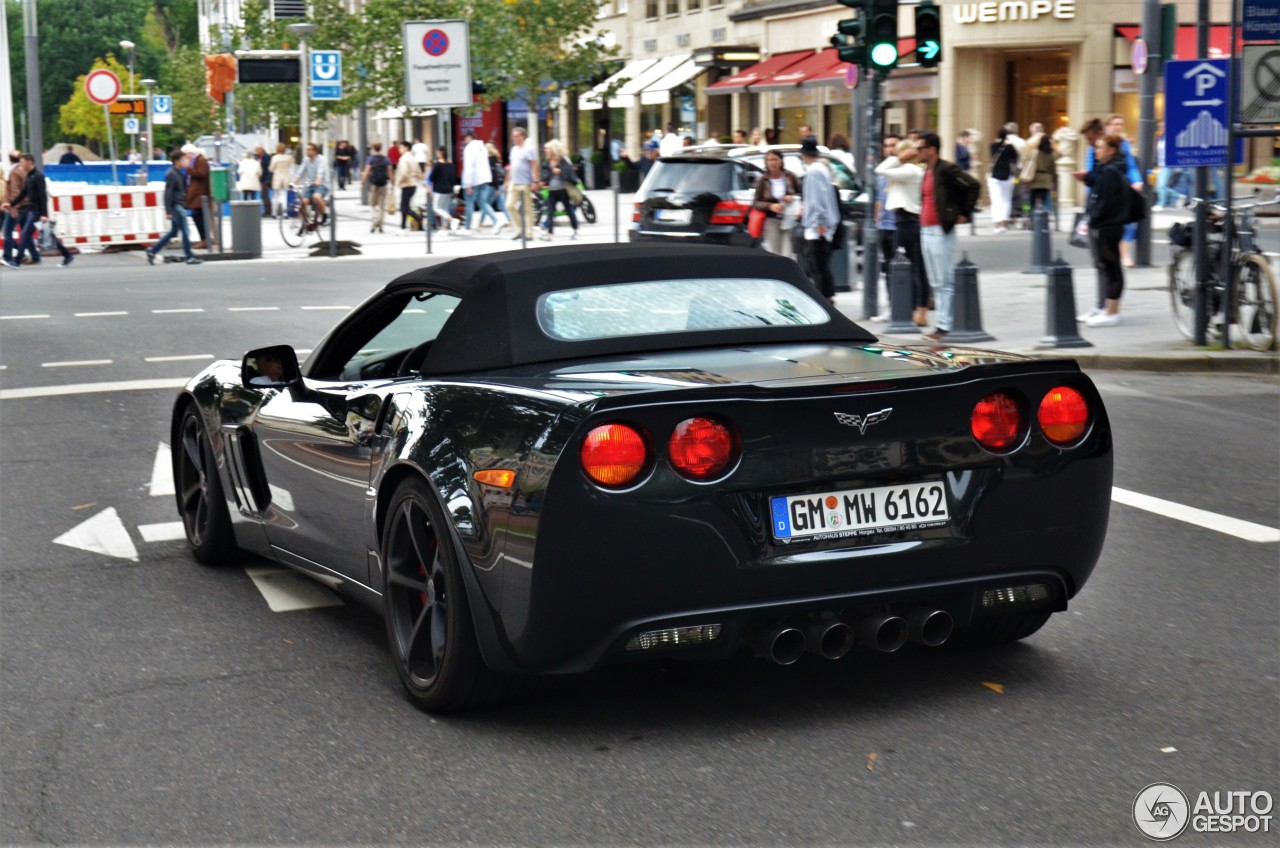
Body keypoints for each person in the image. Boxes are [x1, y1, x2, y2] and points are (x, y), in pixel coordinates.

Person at [915, 132, 981, 342]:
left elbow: (973, 185)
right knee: (935, 281)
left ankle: (944, 326)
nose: (917, 152)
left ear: (932, 150)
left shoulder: (946, 169)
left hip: (941, 231)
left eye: (920, 148)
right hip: (926, 231)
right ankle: (941, 324)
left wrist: (963, 213)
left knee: (944, 281)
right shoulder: (926, 171)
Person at [876, 139, 931, 326]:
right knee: (913, 267)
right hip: (905, 221)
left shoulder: (910, 171)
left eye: (899, 152)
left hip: (908, 221)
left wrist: (899, 158)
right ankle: (917, 309)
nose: (895, 155)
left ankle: (918, 309)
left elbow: (880, 170)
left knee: (911, 268)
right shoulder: (909, 171)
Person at [1082, 133, 1130, 327]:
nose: (1096, 150)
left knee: (1111, 267)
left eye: (1101, 147)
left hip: (1108, 225)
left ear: (1111, 150)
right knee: (1106, 266)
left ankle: (1112, 312)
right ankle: (1106, 309)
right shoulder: (1107, 168)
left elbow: (1106, 200)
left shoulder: (1112, 171)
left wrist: (1094, 218)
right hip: (1106, 224)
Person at [6, 153, 74, 267]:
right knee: (47, 235)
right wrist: (11, 204)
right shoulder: (30, 176)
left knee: (25, 234)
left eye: (23, 162)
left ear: (29, 162)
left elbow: (43, 196)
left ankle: (17, 261)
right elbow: (24, 193)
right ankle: (67, 255)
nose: (21, 165)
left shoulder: (38, 176)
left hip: (37, 211)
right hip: (32, 210)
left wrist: (44, 214)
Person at [799, 136, 840, 304]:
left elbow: (817, 199)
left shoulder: (814, 171)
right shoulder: (822, 168)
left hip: (817, 227)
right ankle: (827, 297)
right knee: (820, 265)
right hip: (822, 224)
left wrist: (819, 223)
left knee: (817, 265)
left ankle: (825, 298)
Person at [146, 149, 201, 265]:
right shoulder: (172, 174)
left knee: (173, 232)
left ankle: (152, 250)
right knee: (186, 231)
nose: (186, 161)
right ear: (177, 162)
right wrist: (168, 210)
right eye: (183, 159)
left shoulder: (179, 173)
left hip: (179, 204)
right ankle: (189, 256)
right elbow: (168, 193)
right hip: (176, 206)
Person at [871, 134, 901, 319]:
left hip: (899, 226)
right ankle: (891, 306)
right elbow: (878, 199)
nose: (889, 149)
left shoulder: (904, 170)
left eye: (893, 145)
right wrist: (877, 219)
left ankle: (905, 307)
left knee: (902, 268)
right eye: (887, 145)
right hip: (884, 225)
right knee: (887, 268)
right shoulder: (882, 175)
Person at [752, 149, 800, 259]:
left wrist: (791, 197)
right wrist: (770, 206)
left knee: (789, 255)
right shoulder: (762, 180)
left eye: (775, 159)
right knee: (773, 254)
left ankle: (788, 275)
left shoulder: (790, 176)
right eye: (769, 160)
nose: (772, 163)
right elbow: (755, 203)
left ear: (781, 161)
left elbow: (800, 194)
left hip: (789, 218)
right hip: (771, 221)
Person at [540, 139, 579, 241]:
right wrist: (546, 178)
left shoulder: (563, 160)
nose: (546, 150)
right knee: (550, 211)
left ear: (553, 149)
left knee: (568, 210)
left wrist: (559, 172)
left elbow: (568, 174)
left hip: (563, 190)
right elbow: (544, 174)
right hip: (552, 190)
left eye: (548, 148)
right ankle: (550, 233)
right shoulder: (548, 161)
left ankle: (575, 229)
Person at [505, 126, 540, 240]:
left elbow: (534, 165)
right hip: (514, 182)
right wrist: (507, 180)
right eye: (513, 136)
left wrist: (535, 180)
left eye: (516, 136)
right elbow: (511, 166)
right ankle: (520, 229)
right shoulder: (514, 149)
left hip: (525, 182)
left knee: (527, 209)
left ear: (522, 136)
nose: (514, 138)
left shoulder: (529, 149)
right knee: (509, 205)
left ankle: (529, 233)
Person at [2, 149, 32, 269]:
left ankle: (8, 256)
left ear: (9, 160)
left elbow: (14, 191)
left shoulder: (14, 172)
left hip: (16, 206)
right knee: (25, 231)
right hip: (25, 205)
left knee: (7, 231)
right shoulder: (24, 171)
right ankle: (31, 255)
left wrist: (12, 205)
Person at [987, 128, 1018, 233]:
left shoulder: (992, 146)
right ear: (1007, 136)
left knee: (996, 200)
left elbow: (992, 157)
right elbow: (1015, 159)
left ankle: (997, 224)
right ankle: (1004, 223)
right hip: (1007, 175)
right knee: (1006, 200)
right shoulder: (1010, 147)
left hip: (995, 175)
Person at [459, 130, 490, 234]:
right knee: (482, 202)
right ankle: (496, 220)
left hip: (474, 180)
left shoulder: (469, 148)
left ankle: (467, 227)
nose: (464, 141)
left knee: (469, 203)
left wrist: (468, 184)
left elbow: (469, 167)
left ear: (469, 137)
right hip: (484, 179)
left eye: (465, 138)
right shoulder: (482, 147)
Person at [183, 143, 211, 247]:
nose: (186, 158)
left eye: (186, 155)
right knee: (198, 216)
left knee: (197, 215)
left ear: (190, 153)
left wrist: (188, 169)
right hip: (197, 194)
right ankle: (205, 238)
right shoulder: (196, 161)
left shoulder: (201, 160)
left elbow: (201, 174)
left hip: (200, 194)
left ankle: (205, 239)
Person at [361, 141, 392, 234]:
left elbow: (367, 172)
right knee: (381, 206)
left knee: (373, 205)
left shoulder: (370, 159)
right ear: (381, 148)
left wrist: (362, 182)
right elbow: (390, 172)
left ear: (373, 148)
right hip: (383, 183)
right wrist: (392, 183)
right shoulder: (386, 159)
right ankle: (381, 225)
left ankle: (374, 223)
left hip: (373, 184)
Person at [296, 142, 330, 223]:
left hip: (322, 184)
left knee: (316, 196)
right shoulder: (306, 160)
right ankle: (307, 221)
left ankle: (325, 216)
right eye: (307, 150)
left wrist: (318, 180)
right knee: (303, 202)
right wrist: (293, 182)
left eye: (310, 150)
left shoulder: (321, 159)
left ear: (315, 151)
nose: (307, 151)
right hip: (310, 184)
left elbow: (320, 171)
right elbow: (300, 172)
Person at [394, 140, 423, 232]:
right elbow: (419, 172)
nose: (399, 149)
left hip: (407, 184)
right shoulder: (412, 158)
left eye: (401, 147)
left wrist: (398, 181)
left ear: (406, 147)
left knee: (404, 207)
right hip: (413, 184)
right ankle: (402, 226)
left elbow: (404, 173)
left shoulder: (404, 159)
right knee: (405, 206)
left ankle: (418, 218)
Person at [1023, 131, 1055, 214]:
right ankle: (1045, 216)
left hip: (1035, 177)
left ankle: (1031, 216)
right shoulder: (1050, 154)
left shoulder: (1034, 152)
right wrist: (1054, 180)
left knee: (1032, 199)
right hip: (1046, 178)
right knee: (1045, 199)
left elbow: (1027, 162)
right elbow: (1053, 168)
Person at [427, 146, 457, 232]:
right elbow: (453, 179)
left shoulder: (437, 165)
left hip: (439, 190)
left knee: (436, 208)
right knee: (445, 208)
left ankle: (451, 219)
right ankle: (444, 228)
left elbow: (432, 178)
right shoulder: (451, 165)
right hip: (449, 190)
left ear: (440, 153)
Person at [485, 142, 511, 233]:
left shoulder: (490, 160)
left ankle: (499, 220)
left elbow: (493, 174)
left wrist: (496, 188)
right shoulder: (497, 159)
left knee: (485, 203)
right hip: (500, 184)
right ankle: (510, 219)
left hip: (494, 185)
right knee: (499, 203)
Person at [269, 143, 294, 218]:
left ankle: (274, 213)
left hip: (277, 177)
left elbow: (271, 168)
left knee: (275, 196)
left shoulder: (275, 158)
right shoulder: (289, 157)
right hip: (286, 177)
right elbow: (292, 167)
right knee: (284, 195)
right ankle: (284, 213)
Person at [256, 146, 273, 216]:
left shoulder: (266, 157)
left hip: (265, 178)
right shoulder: (259, 157)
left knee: (265, 195)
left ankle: (268, 210)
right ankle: (267, 210)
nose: (256, 152)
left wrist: (268, 179)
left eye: (257, 150)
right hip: (262, 179)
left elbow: (267, 168)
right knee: (264, 195)